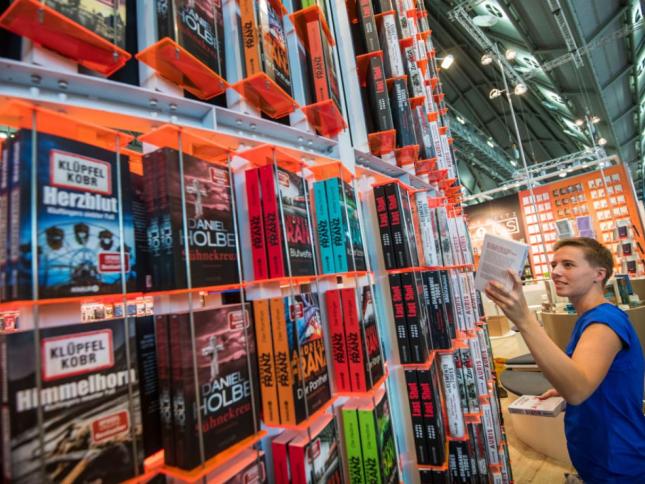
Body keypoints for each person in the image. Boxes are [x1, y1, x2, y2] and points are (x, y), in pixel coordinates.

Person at [484, 237, 645, 483]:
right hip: (598, 453)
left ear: (599, 274)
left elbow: (577, 390)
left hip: (617, 460)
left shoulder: (604, 323)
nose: (556, 272)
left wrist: (524, 319)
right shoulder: (589, 318)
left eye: (568, 265)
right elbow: (592, 377)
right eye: (554, 265)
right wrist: (561, 389)